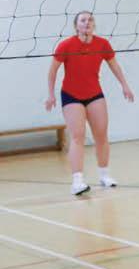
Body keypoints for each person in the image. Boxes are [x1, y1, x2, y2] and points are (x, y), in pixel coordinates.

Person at [45, 11, 134, 195]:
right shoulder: (66, 45)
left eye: (90, 19)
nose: (87, 22)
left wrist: (125, 85)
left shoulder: (102, 44)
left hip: (94, 94)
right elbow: (52, 71)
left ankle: (105, 175)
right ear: (76, 26)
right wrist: (51, 95)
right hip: (71, 95)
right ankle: (77, 181)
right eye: (83, 20)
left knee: (101, 136)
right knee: (78, 137)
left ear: (94, 24)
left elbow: (114, 66)